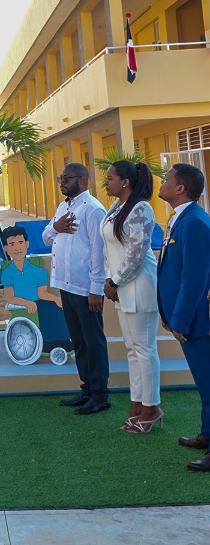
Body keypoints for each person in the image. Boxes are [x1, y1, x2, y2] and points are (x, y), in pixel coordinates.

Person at [43, 163, 109, 414]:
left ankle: (101, 395)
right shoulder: (63, 207)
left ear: (82, 180)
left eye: (66, 178)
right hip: (65, 285)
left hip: (85, 288)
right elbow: (46, 237)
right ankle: (87, 389)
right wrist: (55, 227)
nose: (61, 182)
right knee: (79, 341)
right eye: (60, 178)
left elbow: (98, 252)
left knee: (93, 341)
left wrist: (96, 289)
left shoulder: (92, 209)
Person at [157, 163, 210, 472]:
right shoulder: (182, 219)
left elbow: (195, 277)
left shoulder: (194, 222)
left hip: (197, 321)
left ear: (180, 189)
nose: (162, 183)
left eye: (167, 180)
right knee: (204, 383)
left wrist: (179, 319)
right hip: (186, 317)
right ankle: (206, 433)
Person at [101, 161, 161, 433]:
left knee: (144, 350)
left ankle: (152, 407)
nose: (106, 183)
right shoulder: (116, 208)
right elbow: (109, 249)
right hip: (120, 286)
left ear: (125, 181)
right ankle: (137, 404)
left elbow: (136, 253)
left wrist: (115, 281)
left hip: (138, 286)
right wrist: (109, 280)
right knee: (132, 349)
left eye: (110, 178)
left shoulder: (141, 209)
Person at [1, 225, 62, 322]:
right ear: (5, 248)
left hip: (40, 310)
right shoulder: (7, 273)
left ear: (27, 244)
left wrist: (56, 298)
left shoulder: (39, 271)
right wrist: (26, 303)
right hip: (19, 314)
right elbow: (10, 297)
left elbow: (41, 293)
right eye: (12, 244)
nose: (17, 248)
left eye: (20, 242)